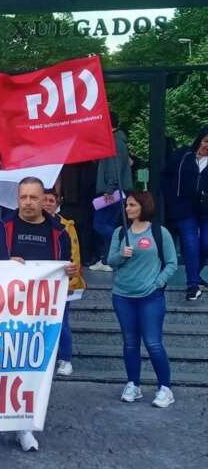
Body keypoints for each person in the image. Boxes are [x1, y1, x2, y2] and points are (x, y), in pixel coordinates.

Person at [0, 177, 78, 453]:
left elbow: (64, 273)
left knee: (29, 370)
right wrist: (3, 266)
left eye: (33, 198)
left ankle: (24, 426)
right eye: (23, 197)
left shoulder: (58, 232)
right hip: (0, 313)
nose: (28, 203)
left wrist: (67, 274)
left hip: (38, 315)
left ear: (44, 199)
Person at [108, 191, 178, 407]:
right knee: (130, 343)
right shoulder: (120, 233)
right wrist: (122, 255)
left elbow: (172, 263)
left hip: (150, 297)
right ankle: (133, 384)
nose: (127, 208)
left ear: (143, 206)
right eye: (127, 205)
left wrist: (157, 283)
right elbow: (110, 261)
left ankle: (165, 388)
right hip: (122, 295)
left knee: (153, 343)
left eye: (132, 205)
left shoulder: (159, 232)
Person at [43, 188, 87, 377]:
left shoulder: (66, 226)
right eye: (44, 200)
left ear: (57, 202)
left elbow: (74, 256)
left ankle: (66, 359)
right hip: (41, 283)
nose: (47, 203)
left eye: (51, 200)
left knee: (62, 322)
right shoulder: (32, 223)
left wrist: (72, 281)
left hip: (61, 282)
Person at [161, 127, 208, 300]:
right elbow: (165, 175)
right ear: (199, 139)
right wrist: (173, 198)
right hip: (185, 209)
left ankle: (195, 273)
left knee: (205, 244)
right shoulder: (183, 155)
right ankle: (193, 284)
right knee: (190, 244)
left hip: (206, 210)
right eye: (206, 141)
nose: (207, 146)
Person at [90, 112, 133, 272]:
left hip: (111, 192)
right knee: (106, 223)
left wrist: (109, 189)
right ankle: (107, 260)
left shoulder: (114, 142)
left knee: (100, 224)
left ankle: (123, 241)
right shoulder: (118, 141)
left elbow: (115, 168)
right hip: (114, 191)